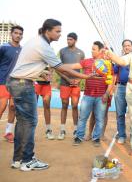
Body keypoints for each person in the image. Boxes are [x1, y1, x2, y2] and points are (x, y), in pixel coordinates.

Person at [6, 19, 92, 171]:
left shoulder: (36, 41)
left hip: (16, 82)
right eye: (57, 31)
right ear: (48, 31)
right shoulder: (43, 46)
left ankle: (18, 159)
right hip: (23, 85)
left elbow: (31, 64)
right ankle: (27, 160)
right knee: (30, 122)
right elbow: (62, 67)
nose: (60, 34)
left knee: (22, 122)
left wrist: (43, 72)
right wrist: (85, 76)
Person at [69, 41, 113, 146]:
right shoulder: (87, 62)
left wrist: (106, 94)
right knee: (83, 117)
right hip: (88, 95)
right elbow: (74, 66)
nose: (91, 51)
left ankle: (96, 138)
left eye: (94, 49)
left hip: (101, 95)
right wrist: (58, 65)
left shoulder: (107, 64)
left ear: (100, 51)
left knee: (100, 118)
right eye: (92, 48)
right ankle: (79, 137)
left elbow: (111, 81)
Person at [57, 32, 85, 140]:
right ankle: (62, 130)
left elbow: (84, 69)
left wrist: (79, 79)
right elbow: (58, 68)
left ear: (75, 40)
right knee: (64, 105)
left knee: (74, 106)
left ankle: (76, 130)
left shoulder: (81, 53)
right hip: (64, 83)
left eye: (71, 39)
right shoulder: (62, 51)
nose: (69, 41)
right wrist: (68, 79)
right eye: (67, 39)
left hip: (76, 85)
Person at [0, 25, 23, 143]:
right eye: (16, 33)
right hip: (3, 82)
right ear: (11, 34)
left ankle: (8, 132)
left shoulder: (22, 50)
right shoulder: (3, 48)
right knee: (1, 107)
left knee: (13, 107)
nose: (18, 35)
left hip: (16, 84)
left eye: (20, 34)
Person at [113, 39, 132, 144]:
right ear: (123, 48)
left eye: (129, 45)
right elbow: (114, 72)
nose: (127, 47)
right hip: (121, 88)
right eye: (125, 46)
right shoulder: (119, 59)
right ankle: (121, 135)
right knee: (120, 113)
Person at [34, 66, 55, 140]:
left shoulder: (49, 55)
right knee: (32, 107)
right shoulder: (36, 55)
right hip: (36, 82)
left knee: (47, 105)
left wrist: (50, 73)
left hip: (46, 84)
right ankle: (30, 131)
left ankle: (48, 130)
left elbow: (52, 67)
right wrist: (44, 75)